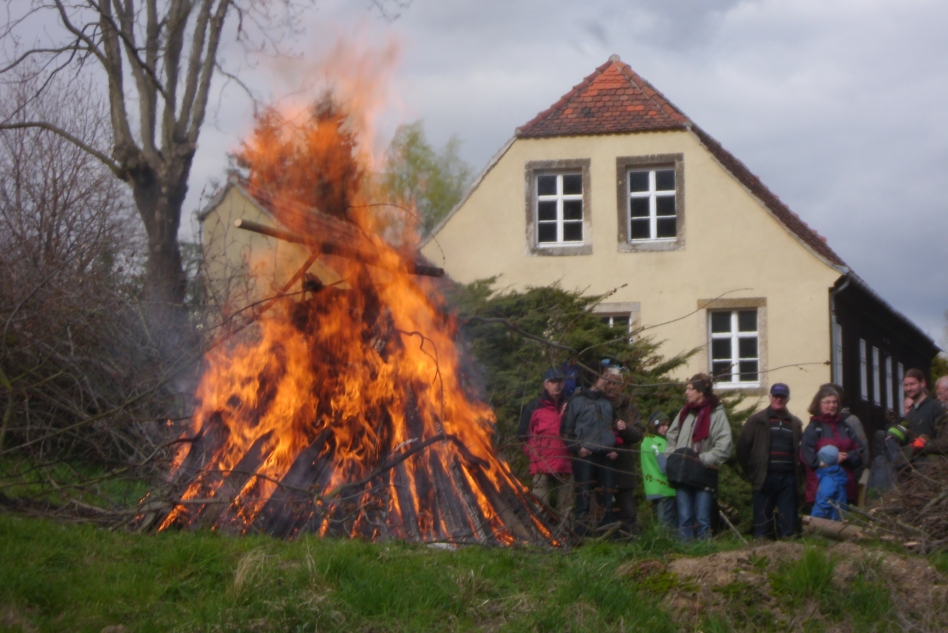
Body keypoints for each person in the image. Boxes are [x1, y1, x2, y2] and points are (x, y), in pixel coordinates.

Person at [665, 373, 733, 541]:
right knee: (684, 519)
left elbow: (724, 446)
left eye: (690, 389)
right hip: (682, 472)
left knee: (703, 520)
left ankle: (705, 556)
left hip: (704, 473)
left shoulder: (716, 414)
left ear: (701, 392)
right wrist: (673, 456)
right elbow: (671, 436)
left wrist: (702, 459)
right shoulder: (684, 413)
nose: (686, 393)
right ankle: (685, 556)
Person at [561, 365, 623, 536]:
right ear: (595, 379)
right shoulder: (576, 401)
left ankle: (609, 538)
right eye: (604, 376)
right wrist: (577, 449)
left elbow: (617, 428)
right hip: (585, 457)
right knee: (583, 499)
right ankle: (582, 538)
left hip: (607, 457)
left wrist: (616, 448)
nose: (607, 380)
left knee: (608, 500)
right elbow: (566, 431)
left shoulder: (607, 402)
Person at [736, 383, 803, 539]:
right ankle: (761, 551)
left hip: (788, 479)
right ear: (770, 397)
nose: (778, 399)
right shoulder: (756, 420)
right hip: (764, 478)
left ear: (788, 399)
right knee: (762, 524)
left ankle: (789, 552)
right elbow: (742, 448)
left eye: (782, 397)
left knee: (788, 524)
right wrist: (753, 472)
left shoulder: (795, 423)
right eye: (775, 396)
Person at [799, 385, 865, 510]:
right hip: (820, 490)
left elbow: (860, 451)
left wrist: (847, 456)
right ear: (819, 404)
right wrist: (833, 459)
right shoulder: (813, 428)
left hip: (846, 488)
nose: (831, 405)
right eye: (827, 402)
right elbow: (807, 458)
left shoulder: (845, 427)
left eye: (834, 402)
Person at [523, 369, 572, 515]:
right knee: (540, 505)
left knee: (566, 507)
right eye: (552, 382)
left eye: (559, 381)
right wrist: (533, 454)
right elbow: (523, 435)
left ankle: (566, 536)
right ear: (545, 384)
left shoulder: (569, 406)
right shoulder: (534, 407)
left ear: (563, 384)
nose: (556, 385)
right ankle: (540, 535)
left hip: (565, 463)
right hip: (541, 464)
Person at [611, 391, 646, 536]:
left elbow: (639, 433)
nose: (611, 388)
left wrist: (626, 428)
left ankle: (631, 542)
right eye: (608, 384)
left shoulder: (629, 408)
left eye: (614, 384)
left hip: (624, 465)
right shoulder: (599, 404)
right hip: (602, 463)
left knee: (628, 509)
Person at [640, 411, 677, 531]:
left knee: (662, 520)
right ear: (655, 425)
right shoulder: (660, 442)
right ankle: (668, 547)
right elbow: (665, 467)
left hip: (652, 487)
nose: (666, 428)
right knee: (667, 524)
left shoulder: (646, 441)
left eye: (667, 424)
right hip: (665, 488)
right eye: (663, 425)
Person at [903, 368, 943, 440]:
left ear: (922, 383)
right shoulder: (911, 413)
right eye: (906, 385)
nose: (909, 388)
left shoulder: (935, 408)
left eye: (912, 384)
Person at [811, 445, 848, 521]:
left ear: (822, 462)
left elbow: (823, 503)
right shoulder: (838, 473)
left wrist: (814, 521)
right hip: (837, 518)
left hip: (829, 522)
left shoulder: (829, 481)